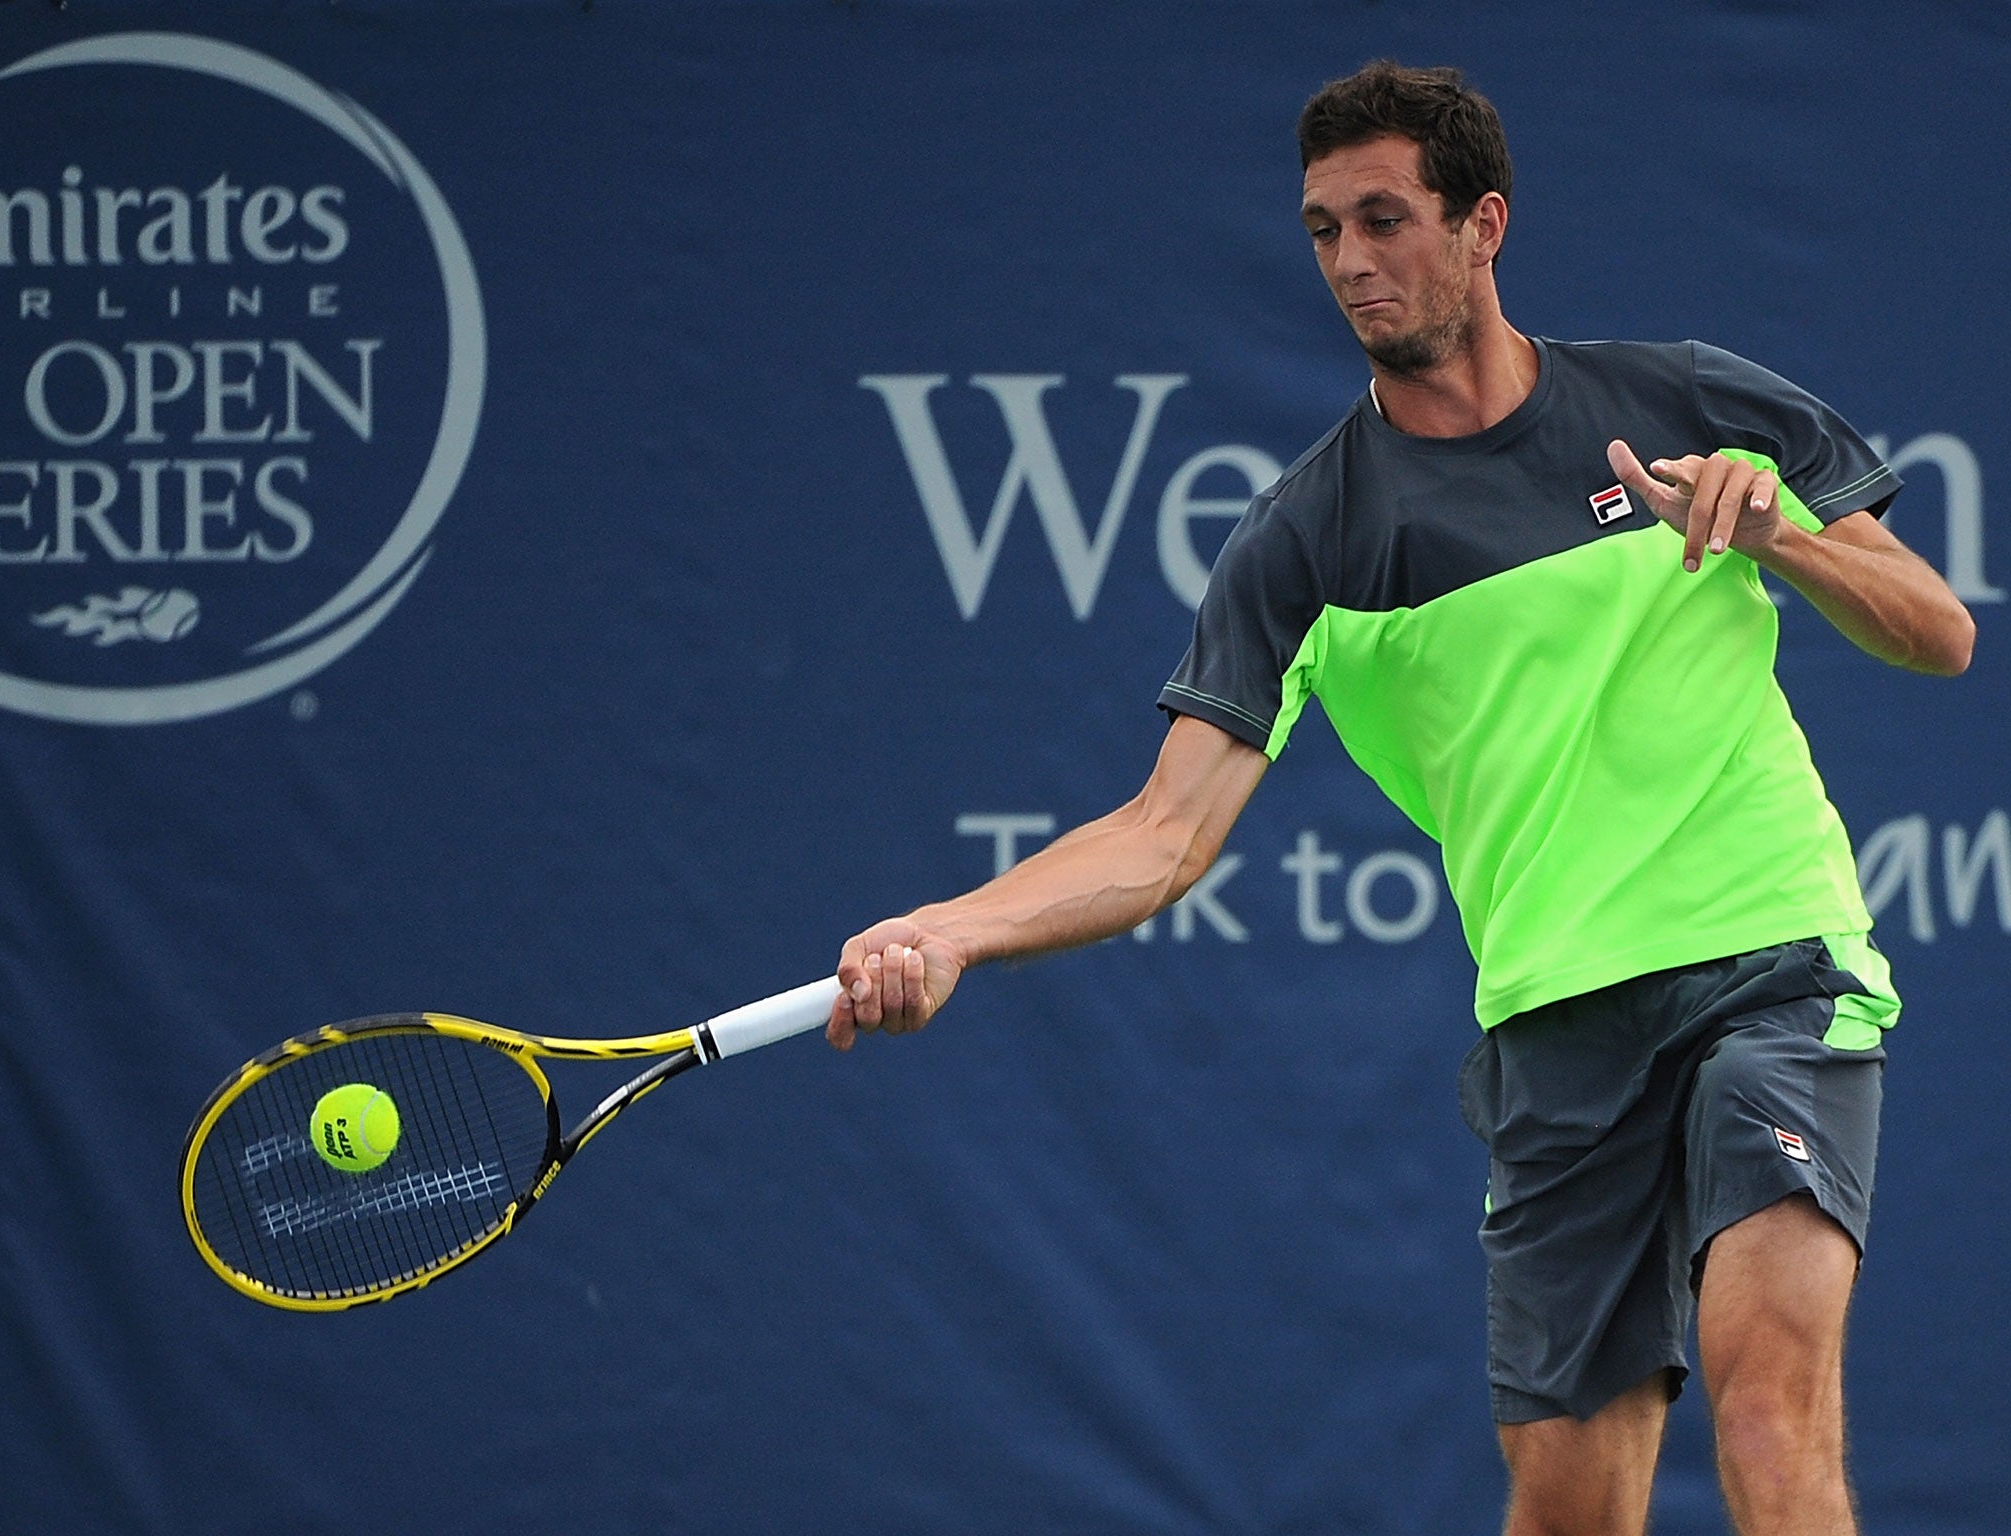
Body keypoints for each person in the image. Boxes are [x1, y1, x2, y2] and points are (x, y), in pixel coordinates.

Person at [826, 59, 1974, 1536]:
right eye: (1322, 231)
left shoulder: (1685, 398)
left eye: (1385, 220)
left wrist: (1787, 538)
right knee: (1566, 1510)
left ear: (1483, 224)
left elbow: (1939, 631)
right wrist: (956, 927)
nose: (1353, 262)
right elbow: (1162, 835)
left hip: (1773, 968)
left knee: (1767, 1415)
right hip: (1558, 1030)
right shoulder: (1309, 538)